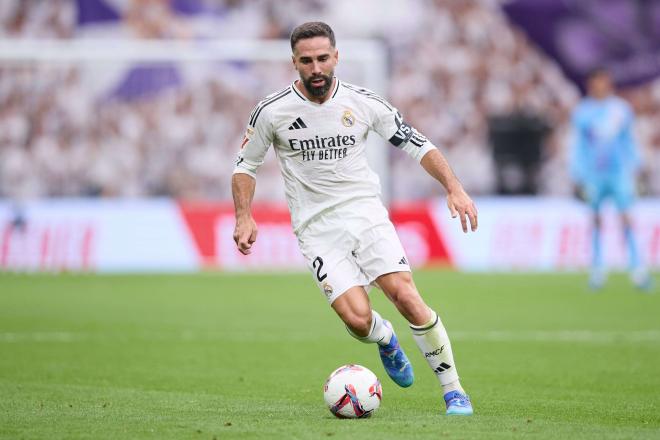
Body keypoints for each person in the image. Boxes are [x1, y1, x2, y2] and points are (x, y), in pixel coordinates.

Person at [232, 22, 478, 415]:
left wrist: (454, 187)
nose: (316, 68)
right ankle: (385, 339)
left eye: (323, 59)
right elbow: (245, 166)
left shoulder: (363, 102)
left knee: (406, 295)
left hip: (365, 215)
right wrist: (244, 216)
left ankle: (454, 391)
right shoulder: (272, 111)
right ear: (294, 62)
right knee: (359, 319)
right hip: (316, 230)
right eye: (307, 61)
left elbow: (417, 144)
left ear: (336, 57)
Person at [570, 68, 652, 291]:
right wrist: (577, 173)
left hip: (619, 173)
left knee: (626, 218)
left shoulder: (620, 109)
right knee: (595, 220)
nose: (600, 85)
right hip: (594, 174)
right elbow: (579, 146)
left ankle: (637, 269)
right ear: (591, 84)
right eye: (596, 81)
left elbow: (628, 141)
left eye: (604, 81)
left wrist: (636, 167)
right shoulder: (583, 112)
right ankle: (597, 270)